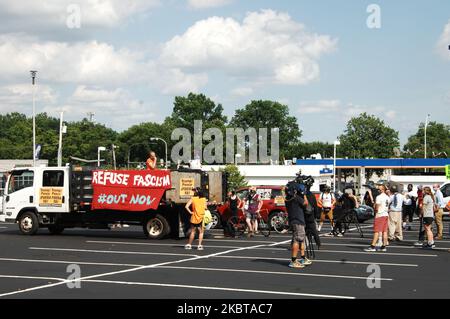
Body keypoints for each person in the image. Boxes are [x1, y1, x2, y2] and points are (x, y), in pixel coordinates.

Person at [285, 185, 312, 268]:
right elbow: (306, 204)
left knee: (301, 239)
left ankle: (302, 258)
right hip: (298, 221)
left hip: (294, 220)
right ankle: (293, 261)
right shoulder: (296, 198)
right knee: (297, 240)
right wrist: (304, 194)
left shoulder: (287, 199)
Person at [365, 184, 390, 252]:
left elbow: (377, 207)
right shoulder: (387, 197)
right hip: (385, 214)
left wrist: (375, 208)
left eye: (379, 189)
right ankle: (383, 246)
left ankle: (373, 246)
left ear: (382, 190)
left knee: (376, 231)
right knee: (384, 231)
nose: (377, 190)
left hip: (380, 214)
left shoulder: (379, 197)